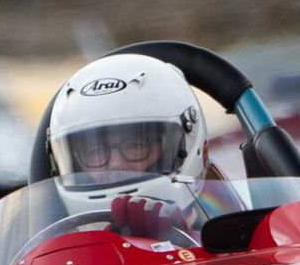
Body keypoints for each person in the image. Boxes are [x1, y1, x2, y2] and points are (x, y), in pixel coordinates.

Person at [47, 53, 212, 239]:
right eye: (95, 151)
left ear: (184, 144)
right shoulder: (54, 255)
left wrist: (181, 243)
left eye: (136, 145)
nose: (116, 164)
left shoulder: (231, 240)